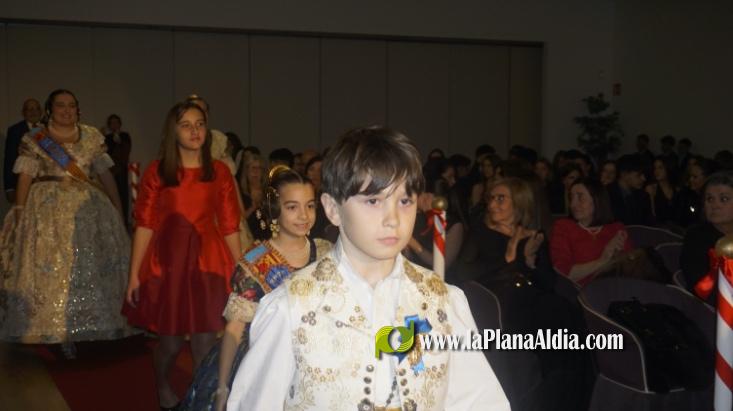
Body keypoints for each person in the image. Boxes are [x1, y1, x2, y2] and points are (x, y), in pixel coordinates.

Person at [227, 126, 509, 410]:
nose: (393, 219)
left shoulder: (443, 302)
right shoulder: (291, 308)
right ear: (333, 209)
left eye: (405, 201)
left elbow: (479, 401)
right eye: (373, 201)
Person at [181, 165, 331, 411]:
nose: (304, 215)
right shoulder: (255, 260)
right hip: (264, 358)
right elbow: (235, 327)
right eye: (292, 207)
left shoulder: (326, 251)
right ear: (274, 209)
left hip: (317, 356)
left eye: (310, 206)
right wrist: (223, 387)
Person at [123, 101, 241, 410]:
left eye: (199, 124)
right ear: (173, 131)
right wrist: (134, 274)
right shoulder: (158, 171)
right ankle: (162, 381)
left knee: (205, 341)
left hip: (207, 259)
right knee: (171, 343)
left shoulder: (219, 172)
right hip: (170, 261)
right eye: (186, 125)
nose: (194, 131)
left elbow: (230, 225)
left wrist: (242, 268)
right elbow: (145, 225)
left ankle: (198, 400)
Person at [0, 89, 131, 356]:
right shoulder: (36, 138)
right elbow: (25, 175)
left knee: (91, 265)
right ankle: (57, 329)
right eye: (60, 105)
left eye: (71, 105)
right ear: (50, 109)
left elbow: (105, 175)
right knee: (53, 269)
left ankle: (96, 324)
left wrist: (118, 207)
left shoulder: (91, 136)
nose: (66, 110)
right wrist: (20, 208)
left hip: (89, 209)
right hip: (47, 209)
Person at [550, 177, 633, 285]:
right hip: (579, 291)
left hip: (614, 288)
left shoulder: (616, 229)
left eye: (580, 197)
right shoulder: (564, 227)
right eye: (571, 198)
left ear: (597, 199)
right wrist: (602, 260)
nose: (573, 204)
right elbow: (563, 273)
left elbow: (630, 269)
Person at [681, 171, 733, 305]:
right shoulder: (696, 237)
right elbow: (702, 287)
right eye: (709, 199)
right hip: (711, 308)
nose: (714, 205)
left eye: (724, 199)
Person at [4, 98, 42, 203]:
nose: (33, 112)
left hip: (45, 183)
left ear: (41, 111)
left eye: (36, 109)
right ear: (23, 113)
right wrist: (9, 188)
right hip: (23, 184)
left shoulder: (49, 128)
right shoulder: (15, 130)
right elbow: (9, 159)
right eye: (29, 109)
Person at [607, 154, 654, 226]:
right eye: (638, 175)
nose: (643, 178)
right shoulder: (606, 194)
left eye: (643, 175)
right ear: (624, 174)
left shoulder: (643, 196)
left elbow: (649, 225)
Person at [104, 114, 132, 227]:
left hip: (121, 169)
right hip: (111, 170)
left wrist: (119, 142)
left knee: (122, 194)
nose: (114, 125)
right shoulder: (107, 138)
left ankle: (123, 221)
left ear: (120, 124)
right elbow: (105, 154)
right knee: (110, 195)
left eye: (116, 122)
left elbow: (126, 151)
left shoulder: (125, 136)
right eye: (112, 123)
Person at [645, 156, 681, 225]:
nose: (656, 171)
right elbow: (652, 215)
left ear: (667, 168)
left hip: (676, 227)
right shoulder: (651, 189)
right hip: (659, 227)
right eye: (655, 168)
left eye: (660, 167)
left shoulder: (677, 189)